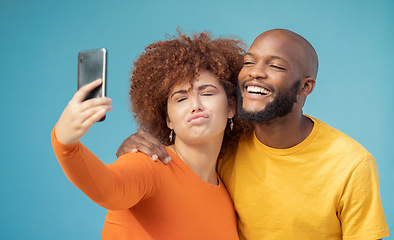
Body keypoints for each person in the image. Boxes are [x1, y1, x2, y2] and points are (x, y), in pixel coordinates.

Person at [116, 29, 390, 239]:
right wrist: (135, 147)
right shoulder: (228, 146)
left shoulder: (351, 164)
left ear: (305, 87)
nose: (256, 73)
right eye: (249, 62)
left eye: (276, 66)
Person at [51, 31, 251, 239]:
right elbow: (108, 188)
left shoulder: (227, 199)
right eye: (181, 99)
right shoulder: (150, 164)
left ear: (231, 107)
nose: (196, 106)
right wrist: (65, 142)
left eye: (207, 93)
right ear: (168, 120)